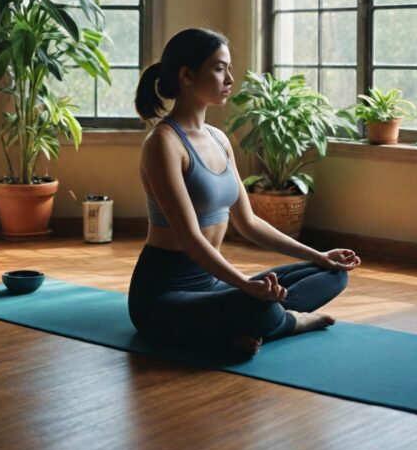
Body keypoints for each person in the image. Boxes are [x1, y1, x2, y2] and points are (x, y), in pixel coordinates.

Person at [128, 27, 361, 356]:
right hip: (164, 296)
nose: (230, 79)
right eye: (220, 68)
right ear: (187, 75)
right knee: (256, 305)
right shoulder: (163, 144)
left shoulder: (219, 139)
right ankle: (288, 321)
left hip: (213, 285)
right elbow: (192, 240)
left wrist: (319, 255)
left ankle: (246, 326)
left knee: (333, 275)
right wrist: (246, 286)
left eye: (228, 68)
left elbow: (249, 222)